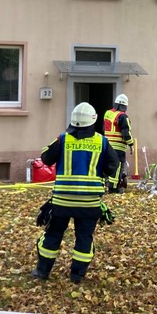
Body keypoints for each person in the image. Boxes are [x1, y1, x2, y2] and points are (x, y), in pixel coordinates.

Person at [31, 102, 119, 283]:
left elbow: (46, 158)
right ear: (93, 121)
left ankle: (42, 272)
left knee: (53, 235)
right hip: (89, 204)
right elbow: (113, 166)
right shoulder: (102, 141)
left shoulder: (63, 139)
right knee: (84, 238)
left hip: (62, 202)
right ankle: (76, 276)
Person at [103, 94, 134, 193]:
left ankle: (106, 184)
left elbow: (103, 128)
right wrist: (131, 144)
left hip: (107, 145)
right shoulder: (122, 116)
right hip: (118, 146)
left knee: (108, 165)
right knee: (118, 166)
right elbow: (126, 132)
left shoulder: (108, 113)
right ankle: (114, 187)